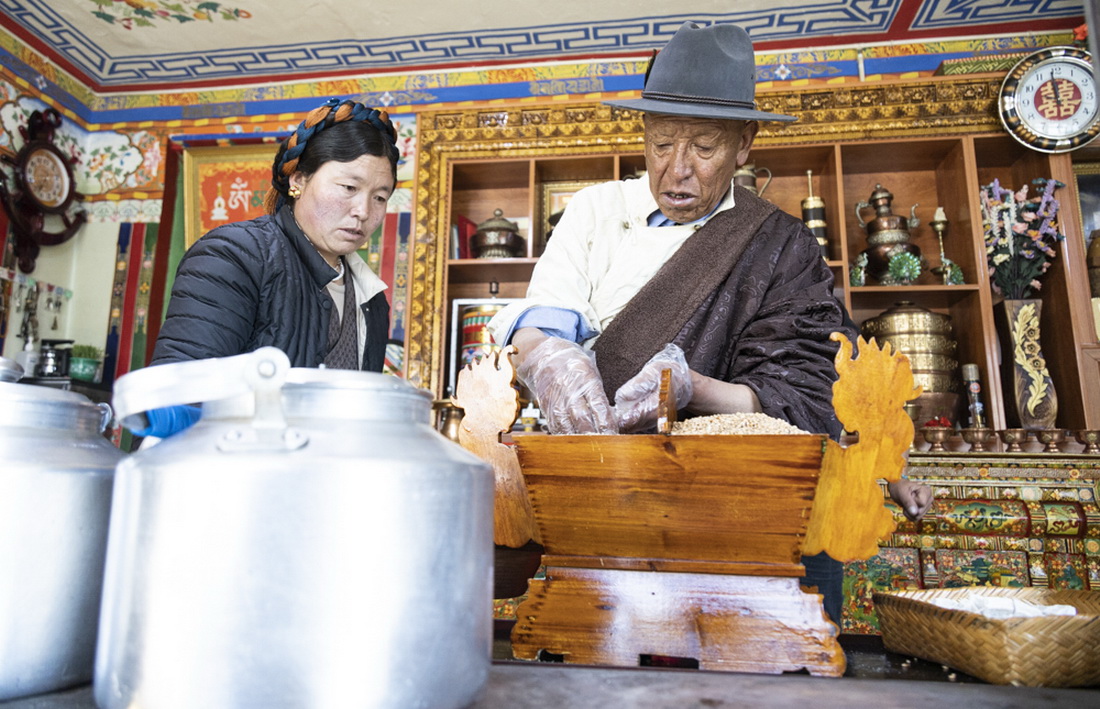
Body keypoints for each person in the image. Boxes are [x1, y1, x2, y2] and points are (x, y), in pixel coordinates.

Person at [486, 21, 932, 623]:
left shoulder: (781, 246)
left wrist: (691, 386)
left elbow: (808, 391)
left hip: (740, 504)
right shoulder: (595, 210)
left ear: (745, 143)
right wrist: (547, 357)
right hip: (608, 494)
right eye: (662, 142)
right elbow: (544, 318)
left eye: (703, 147)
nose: (677, 171)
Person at [137, 98, 400, 436]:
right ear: (299, 180)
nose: (364, 211)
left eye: (380, 197)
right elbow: (180, 397)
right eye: (349, 187)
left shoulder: (372, 301)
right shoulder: (235, 255)